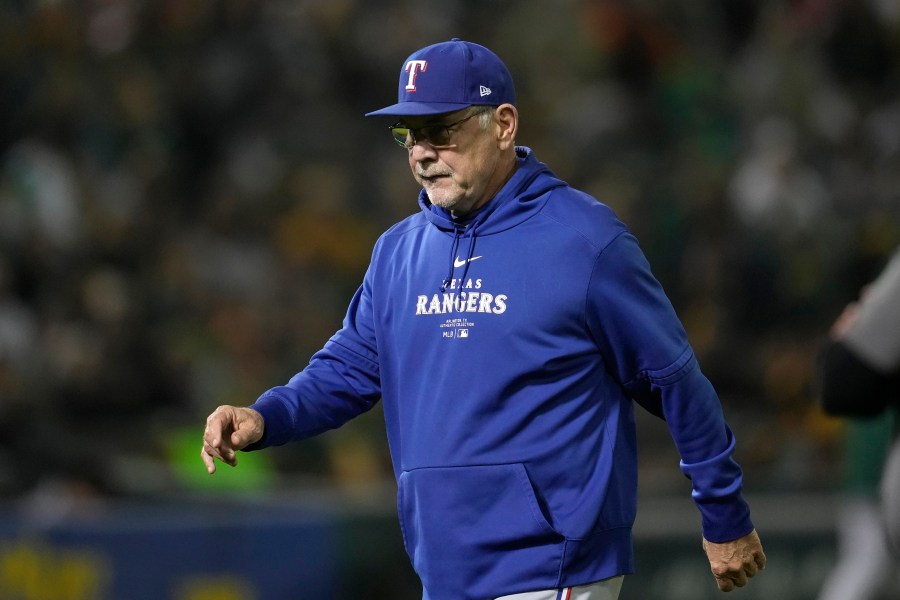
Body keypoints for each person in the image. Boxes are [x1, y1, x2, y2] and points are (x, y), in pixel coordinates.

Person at [201, 39, 766, 600]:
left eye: (440, 130)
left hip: (550, 567)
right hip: (443, 569)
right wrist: (266, 415)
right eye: (408, 135)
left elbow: (673, 381)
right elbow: (351, 367)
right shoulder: (398, 251)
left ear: (503, 124)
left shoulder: (585, 242)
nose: (421, 152)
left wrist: (724, 513)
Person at [817, 245, 900, 598]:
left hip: (871, 489)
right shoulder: (874, 362)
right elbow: (841, 388)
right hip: (869, 491)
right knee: (866, 565)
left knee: (866, 567)